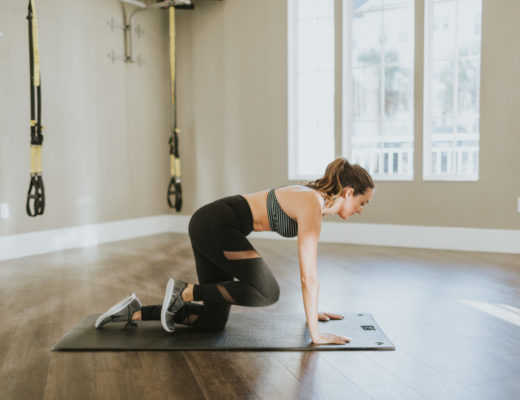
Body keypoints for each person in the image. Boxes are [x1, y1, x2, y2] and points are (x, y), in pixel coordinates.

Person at [95, 158, 374, 345]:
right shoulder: (312, 203)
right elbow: (308, 276)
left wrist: (315, 312)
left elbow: (309, 274)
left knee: (213, 321)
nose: (362, 209)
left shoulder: (313, 199)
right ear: (349, 193)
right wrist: (316, 332)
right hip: (219, 223)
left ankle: (135, 312)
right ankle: (186, 291)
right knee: (267, 291)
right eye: (363, 202)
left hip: (211, 225)